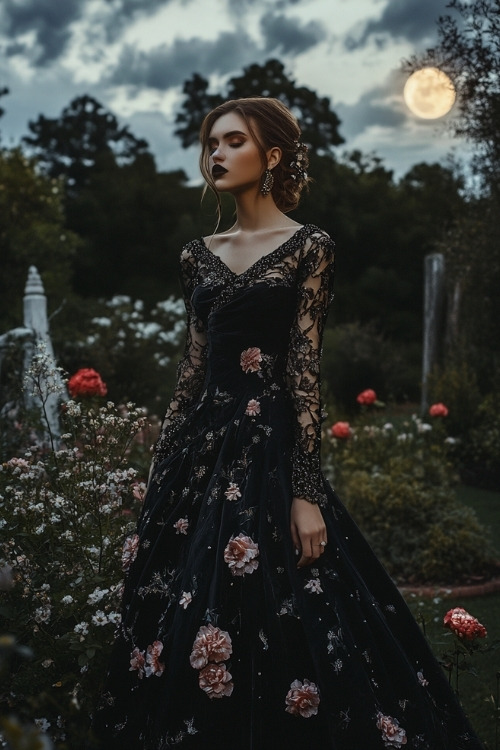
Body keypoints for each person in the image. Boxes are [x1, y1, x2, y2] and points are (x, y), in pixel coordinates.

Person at [91, 97, 485, 749]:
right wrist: (159, 475)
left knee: (290, 610)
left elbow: (305, 372)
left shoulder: (310, 247)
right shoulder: (198, 255)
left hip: (270, 451)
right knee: (183, 609)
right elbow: (191, 376)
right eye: (211, 142)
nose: (216, 153)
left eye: (234, 141)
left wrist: (306, 493)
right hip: (199, 455)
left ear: (271, 156)